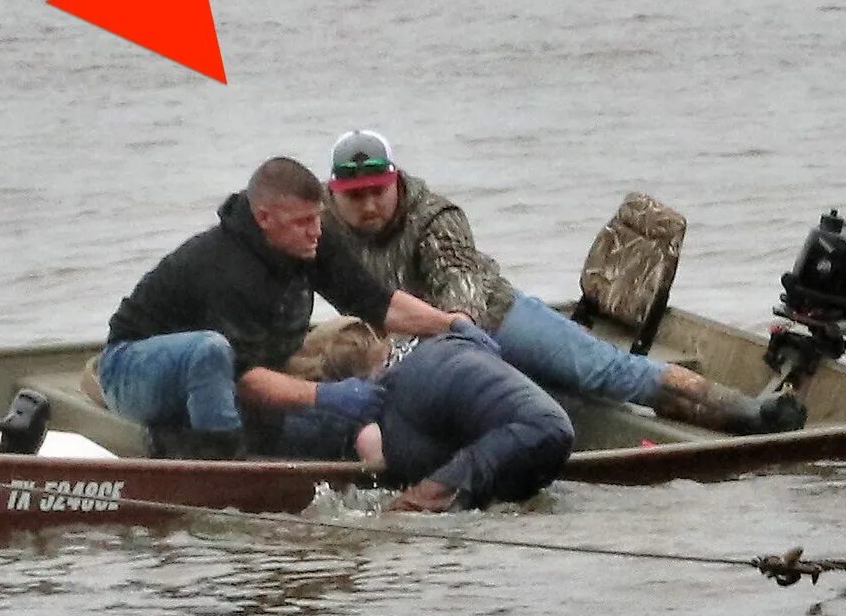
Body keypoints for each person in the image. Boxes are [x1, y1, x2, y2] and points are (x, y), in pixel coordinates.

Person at [318, 129, 804, 434]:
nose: (368, 207)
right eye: (354, 196)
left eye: (377, 192)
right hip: (402, 343)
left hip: (492, 317)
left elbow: (461, 298)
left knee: (605, 373)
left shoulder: (435, 217)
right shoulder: (315, 222)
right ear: (333, 193)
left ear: (396, 181)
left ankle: (748, 412)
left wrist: (439, 351)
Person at [97, 157, 457, 457]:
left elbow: (377, 303)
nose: (315, 230)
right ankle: (213, 456)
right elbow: (244, 378)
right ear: (265, 218)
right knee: (210, 353)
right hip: (132, 369)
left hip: (236, 373)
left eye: (318, 217)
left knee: (337, 411)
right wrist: (326, 395)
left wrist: (451, 324)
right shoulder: (224, 268)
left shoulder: (311, 241)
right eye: (303, 222)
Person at [291, 316, 577, 511]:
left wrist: (417, 500)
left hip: (539, 430)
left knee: (400, 513)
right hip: (534, 432)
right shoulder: (440, 346)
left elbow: (547, 428)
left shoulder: (390, 399)